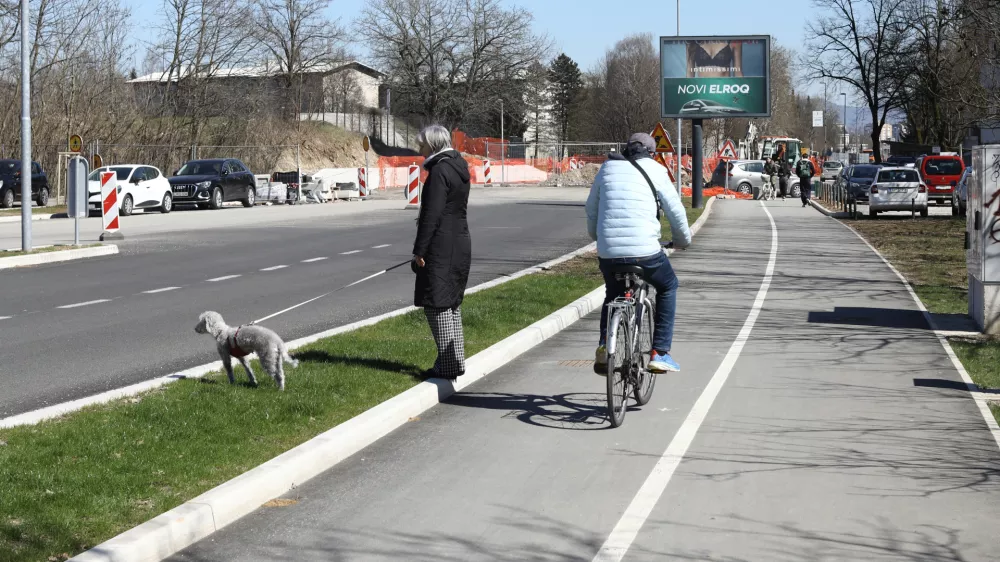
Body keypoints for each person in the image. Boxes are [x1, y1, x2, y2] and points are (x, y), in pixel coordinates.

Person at [587, 133, 692, 374]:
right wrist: (682, 241)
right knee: (668, 286)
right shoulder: (655, 170)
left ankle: (604, 345)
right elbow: (675, 210)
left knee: (612, 293)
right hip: (645, 253)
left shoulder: (607, 169)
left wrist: (598, 238)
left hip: (609, 252)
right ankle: (660, 353)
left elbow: (591, 209)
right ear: (651, 153)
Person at [412, 125, 472, 380]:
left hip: (441, 246)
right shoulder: (459, 167)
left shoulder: (439, 171)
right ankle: (455, 361)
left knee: (437, 305)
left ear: (433, 146)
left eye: (421, 145)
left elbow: (431, 215)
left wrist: (419, 250)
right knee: (451, 305)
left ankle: (448, 365)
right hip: (460, 242)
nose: (419, 149)